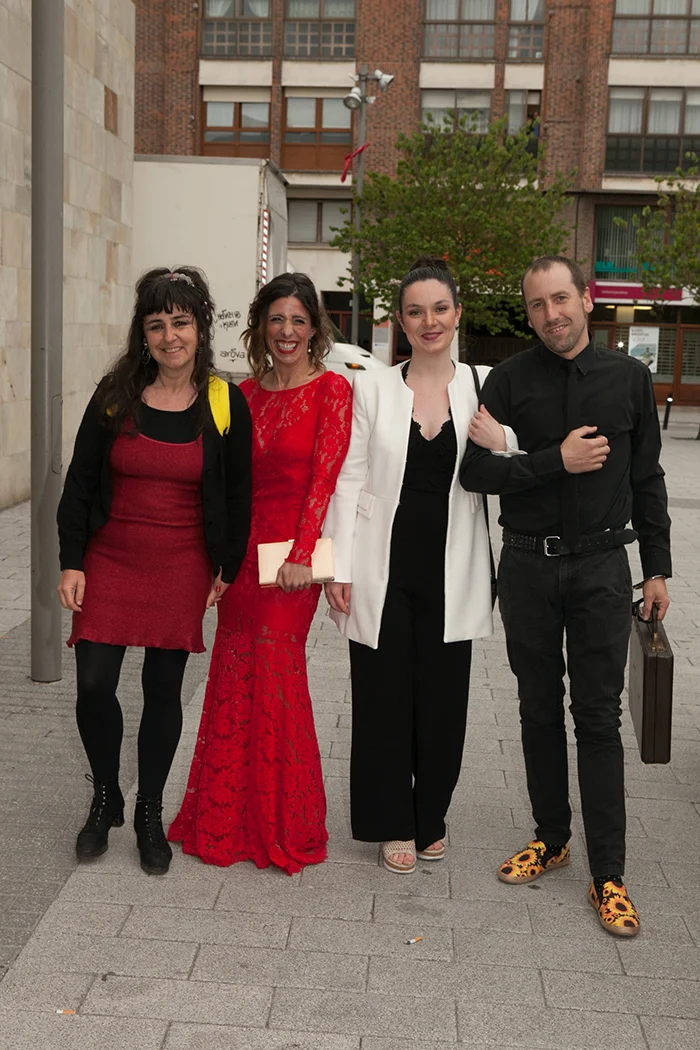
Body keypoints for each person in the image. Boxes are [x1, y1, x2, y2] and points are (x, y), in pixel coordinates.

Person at [460, 255, 671, 937]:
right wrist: (556, 461)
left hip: (604, 568)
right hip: (527, 567)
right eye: (537, 304)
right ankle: (551, 838)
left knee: (598, 718)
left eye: (560, 299)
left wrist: (657, 569)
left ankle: (609, 874)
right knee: (536, 709)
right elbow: (474, 472)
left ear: (586, 298)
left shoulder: (629, 378)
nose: (551, 314)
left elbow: (648, 479)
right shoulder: (508, 380)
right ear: (528, 314)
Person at [323, 257, 520, 874]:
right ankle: (391, 822)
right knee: (381, 698)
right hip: (380, 565)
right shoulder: (373, 387)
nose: (429, 321)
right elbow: (348, 479)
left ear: (458, 313)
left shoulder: (485, 385)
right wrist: (338, 566)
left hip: (454, 568)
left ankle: (431, 815)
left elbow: (520, 456)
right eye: (415, 311)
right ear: (401, 321)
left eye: (439, 308)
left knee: (442, 702)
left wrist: (505, 442)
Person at [57, 267, 252, 876]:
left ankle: (148, 811)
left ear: (201, 328)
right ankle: (105, 795)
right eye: (157, 324)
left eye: (181, 322)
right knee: (94, 684)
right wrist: (71, 560)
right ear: (142, 333)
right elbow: (80, 481)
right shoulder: (115, 394)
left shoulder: (223, 402)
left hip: (181, 563)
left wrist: (228, 565)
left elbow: (238, 493)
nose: (171, 336)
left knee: (162, 690)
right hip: (110, 558)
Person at [168, 272, 352, 875]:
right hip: (242, 559)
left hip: (292, 561)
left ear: (315, 328)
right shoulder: (241, 395)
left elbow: (324, 479)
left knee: (276, 673)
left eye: (298, 319)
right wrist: (216, 559)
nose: (287, 330)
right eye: (277, 319)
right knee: (234, 672)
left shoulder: (332, 390)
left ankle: (283, 823)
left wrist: (304, 556)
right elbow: (224, 485)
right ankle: (228, 819)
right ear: (260, 327)